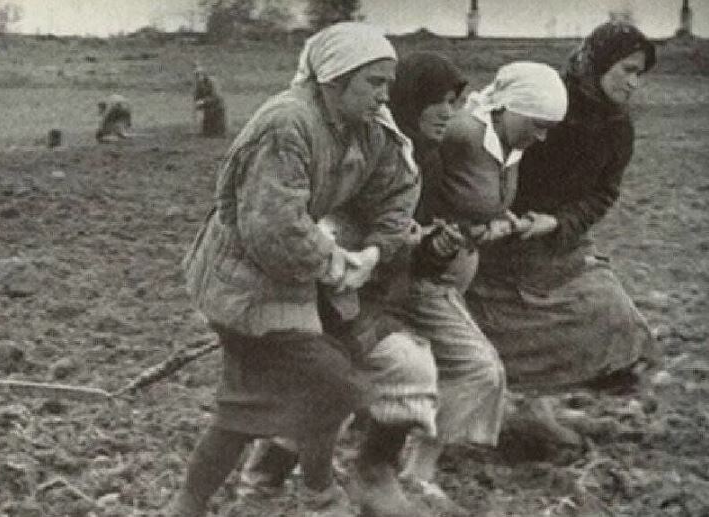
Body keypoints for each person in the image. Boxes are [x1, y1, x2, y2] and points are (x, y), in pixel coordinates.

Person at [170, 22, 433, 517]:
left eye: (388, 83)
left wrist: (374, 252)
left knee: (276, 397)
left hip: (295, 277)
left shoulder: (367, 127)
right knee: (325, 387)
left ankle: (219, 500)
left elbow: (397, 192)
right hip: (242, 281)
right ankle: (311, 493)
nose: (385, 95)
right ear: (334, 79)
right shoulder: (286, 124)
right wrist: (335, 263)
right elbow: (274, 226)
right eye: (374, 82)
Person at [236, 51, 470, 516]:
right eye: (438, 101)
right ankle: (264, 481)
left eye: (454, 102)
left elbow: (403, 246)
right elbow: (304, 220)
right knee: (325, 385)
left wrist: (427, 247)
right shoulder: (345, 148)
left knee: (406, 370)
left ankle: (374, 473)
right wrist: (358, 246)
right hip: (322, 292)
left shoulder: (421, 160)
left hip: (372, 298)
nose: (448, 113)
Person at [466, 22, 658, 442]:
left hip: (558, 243)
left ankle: (537, 405)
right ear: (600, 63)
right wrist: (501, 218)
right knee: (486, 328)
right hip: (496, 243)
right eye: (627, 69)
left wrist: (556, 223)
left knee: (610, 314)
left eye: (640, 74)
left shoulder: (618, 128)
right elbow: (487, 159)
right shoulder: (542, 102)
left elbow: (604, 193)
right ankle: (510, 408)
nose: (633, 82)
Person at [394, 61, 568, 491]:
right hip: (423, 273)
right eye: (538, 124)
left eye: (549, 129)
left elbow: (478, 204)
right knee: (475, 369)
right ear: (510, 108)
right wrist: (450, 233)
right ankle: (411, 469)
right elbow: (423, 193)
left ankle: (393, 453)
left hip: (452, 272)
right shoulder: (461, 136)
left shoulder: (510, 145)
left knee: (433, 367)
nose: (543, 137)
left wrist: (498, 222)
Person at [193, 67, 227, 137]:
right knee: (206, 132)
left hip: (217, 107)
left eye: (199, 75)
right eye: (196, 76)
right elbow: (197, 97)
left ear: (204, 74)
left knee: (218, 132)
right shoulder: (199, 84)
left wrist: (203, 101)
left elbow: (216, 97)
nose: (198, 77)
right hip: (207, 108)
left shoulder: (212, 82)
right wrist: (198, 103)